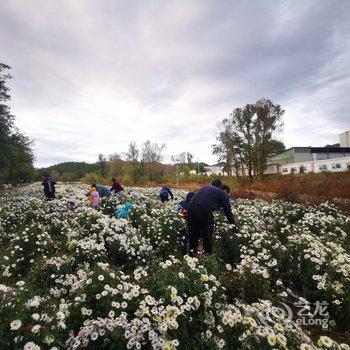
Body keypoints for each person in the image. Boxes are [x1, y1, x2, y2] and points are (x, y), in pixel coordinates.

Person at [187, 184, 234, 256]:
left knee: (193, 233)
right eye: (228, 194)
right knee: (207, 234)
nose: (227, 196)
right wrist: (233, 227)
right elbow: (228, 212)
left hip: (190, 207)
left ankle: (191, 255)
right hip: (203, 209)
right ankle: (207, 255)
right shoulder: (223, 194)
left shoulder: (207, 187)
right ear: (226, 191)